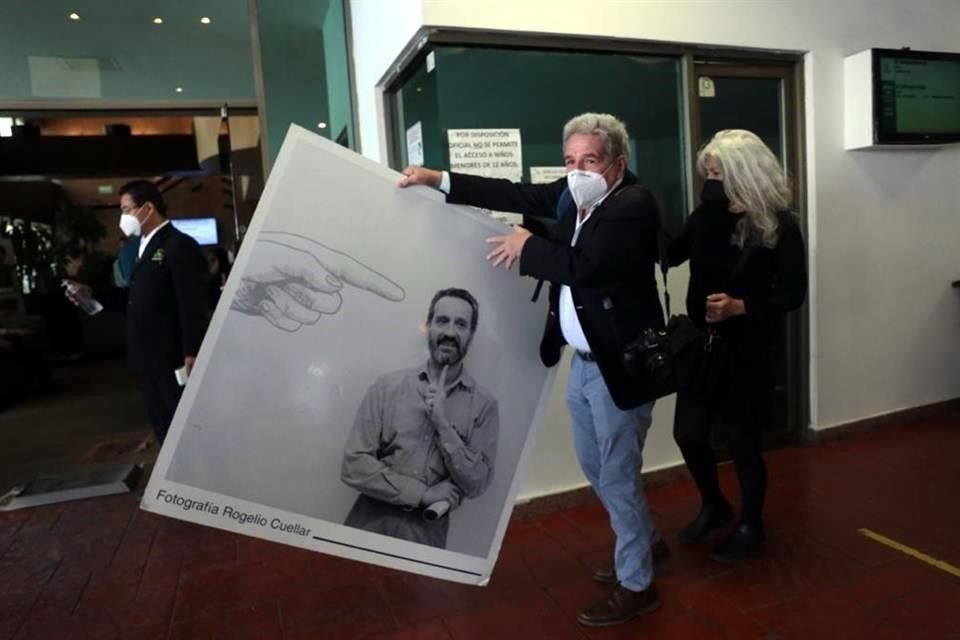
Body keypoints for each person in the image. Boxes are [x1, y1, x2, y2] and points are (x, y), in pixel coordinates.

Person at [400, 113, 664, 627]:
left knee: (616, 474)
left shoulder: (633, 205)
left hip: (620, 368)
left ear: (618, 162)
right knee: (599, 467)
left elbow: (584, 267)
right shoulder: (575, 197)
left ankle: (638, 582)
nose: (578, 170)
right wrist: (439, 180)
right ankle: (645, 543)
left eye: (590, 160)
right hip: (585, 365)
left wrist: (528, 247)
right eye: (570, 161)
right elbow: (516, 192)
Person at [664, 129, 806, 562]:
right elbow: (670, 253)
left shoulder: (780, 224)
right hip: (701, 346)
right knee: (687, 434)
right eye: (707, 171)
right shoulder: (706, 214)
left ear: (743, 172)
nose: (710, 180)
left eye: (717, 172)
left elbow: (792, 293)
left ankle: (750, 523)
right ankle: (715, 504)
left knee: (743, 442)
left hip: (746, 349)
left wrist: (741, 306)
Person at [341, 288, 499, 549]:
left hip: (424, 541)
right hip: (365, 528)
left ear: (471, 334)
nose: (449, 332)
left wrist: (442, 424)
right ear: (427, 326)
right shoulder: (387, 387)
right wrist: (423, 493)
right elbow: (353, 464)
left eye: (460, 324)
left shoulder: (485, 406)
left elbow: (477, 483)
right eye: (442, 321)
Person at [68, 180, 209, 444]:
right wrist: (91, 295)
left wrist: (193, 349)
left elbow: (191, 302)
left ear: (148, 208)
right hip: (149, 356)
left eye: (126, 209)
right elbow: (138, 296)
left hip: (173, 355)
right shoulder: (143, 246)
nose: (123, 217)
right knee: (163, 427)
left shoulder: (178, 245)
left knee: (185, 429)